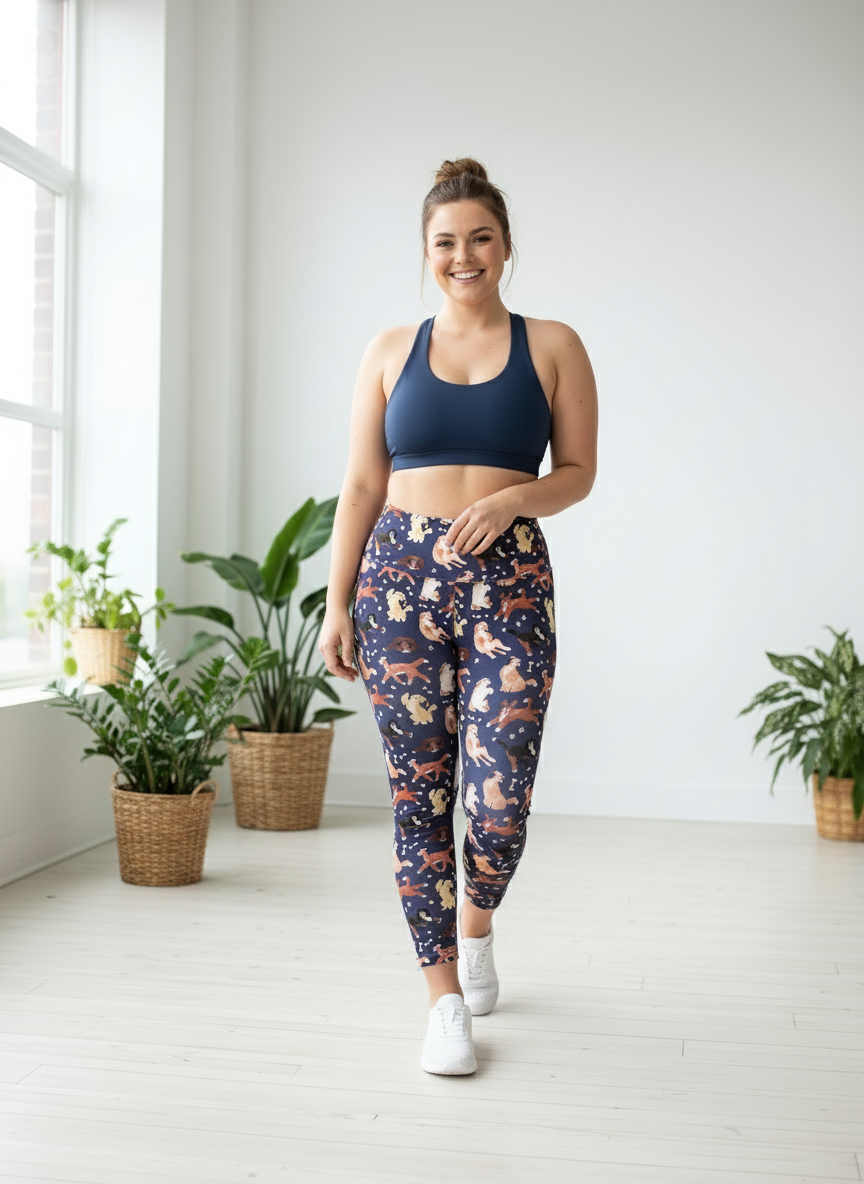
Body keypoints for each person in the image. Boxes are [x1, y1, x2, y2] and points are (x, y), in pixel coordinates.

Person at [318, 158, 598, 1075]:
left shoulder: (552, 343)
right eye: (447, 241)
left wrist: (514, 501)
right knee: (418, 797)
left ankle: (475, 929)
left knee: (500, 801)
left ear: (506, 246)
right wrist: (336, 602)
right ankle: (442, 1000)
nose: (464, 255)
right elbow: (362, 484)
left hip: (510, 578)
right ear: (426, 253)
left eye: (481, 237)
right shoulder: (389, 351)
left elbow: (578, 471)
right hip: (397, 580)